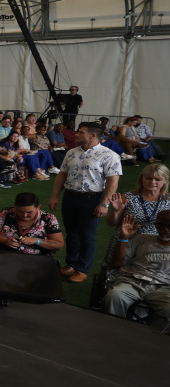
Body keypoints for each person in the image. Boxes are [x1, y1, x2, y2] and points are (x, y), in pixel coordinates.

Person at [47, 121, 121, 285]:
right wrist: (54, 196)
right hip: (70, 196)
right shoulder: (71, 152)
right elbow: (62, 175)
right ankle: (71, 264)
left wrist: (105, 204)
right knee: (71, 233)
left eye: (81, 132)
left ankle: (82, 269)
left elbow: (113, 181)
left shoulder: (109, 155)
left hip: (92, 198)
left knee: (87, 235)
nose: (76, 134)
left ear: (92, 135)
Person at [102, 210, 170, 318]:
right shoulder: (141, 238)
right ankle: (113, 327)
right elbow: (117, 263)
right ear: (156, 224)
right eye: (162, 225)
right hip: (132, 281)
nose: (165, 229)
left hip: (163, 287)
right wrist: (124, 238)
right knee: (114, 296)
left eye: (169, 226)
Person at [0, 192, 64, 255]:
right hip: (5, 254)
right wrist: (4, 240)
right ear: (15, 206)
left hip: (36, 259)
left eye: (29, 212)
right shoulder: (7, 213)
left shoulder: (48, 218)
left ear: (38, 207)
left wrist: (36, 241)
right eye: (20, 211)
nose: (24, 215)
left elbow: (59, 244)